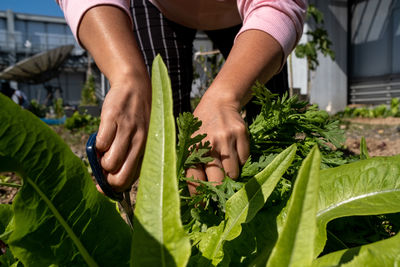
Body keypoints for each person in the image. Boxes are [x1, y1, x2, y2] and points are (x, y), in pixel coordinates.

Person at [56, 0, 307, 195]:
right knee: (166, 130)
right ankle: (185, 215)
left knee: (272, 123)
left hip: (247, 14)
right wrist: (126, 76)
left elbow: (280, 5)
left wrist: (223, 99)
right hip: (160, 9)